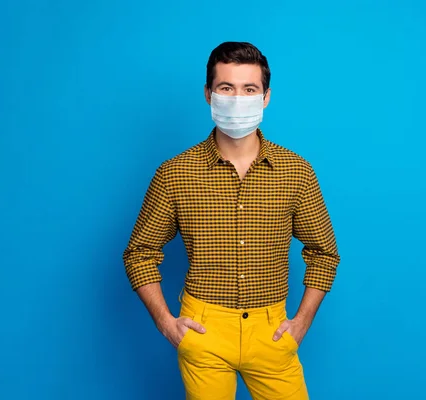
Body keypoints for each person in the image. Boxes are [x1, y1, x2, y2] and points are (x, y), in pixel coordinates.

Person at [122, 41, 340, 400]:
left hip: (271, 331)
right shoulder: (175, 173)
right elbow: (139, 253)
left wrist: (300, 323)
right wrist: (166, 321)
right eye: (227, 88)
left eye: (249, 89)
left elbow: (324, 253)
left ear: (266, 97)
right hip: (204, 329)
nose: (238, 98)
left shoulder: (296, 172)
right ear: (209, 94)